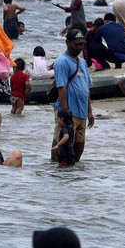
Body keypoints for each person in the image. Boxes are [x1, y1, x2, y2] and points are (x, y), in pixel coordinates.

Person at [52, 29, 94, 162]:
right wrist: (65, 114)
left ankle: (74, 172)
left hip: (81, 113)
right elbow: (62, 88)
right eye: (76, 44)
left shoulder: (82, 63)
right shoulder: (62, 62)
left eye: (81, 44)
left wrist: (90, 112)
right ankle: (57, 170)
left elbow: (86, 88)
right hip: (69, 113)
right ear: (67, 43)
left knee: (79, 145)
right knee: (61, 148)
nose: (80, 47)